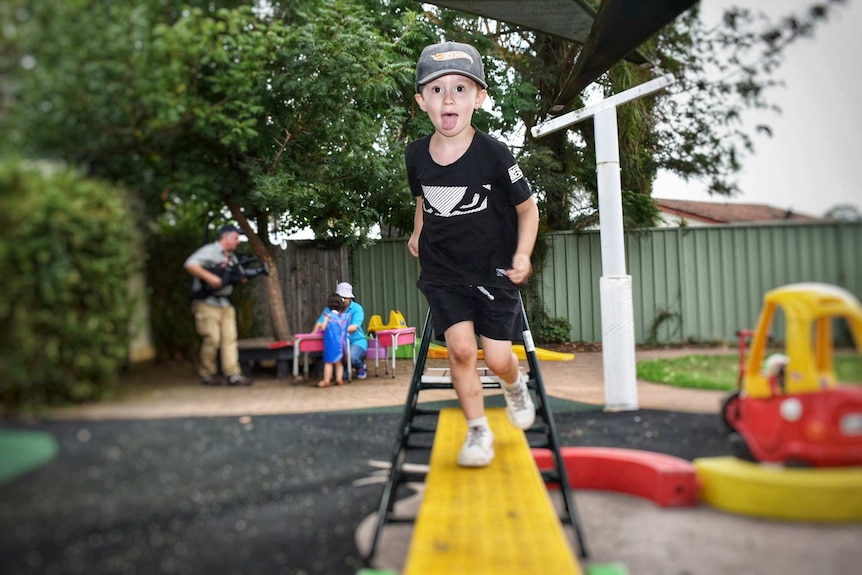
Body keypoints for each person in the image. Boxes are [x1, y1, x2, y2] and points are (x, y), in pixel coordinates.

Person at [406, 41, 540, 467]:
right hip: (443, 270)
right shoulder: (415, 155)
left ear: (479, 98)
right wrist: (417, 232)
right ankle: (478, 430)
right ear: (421, 101)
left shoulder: (495, 154)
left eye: (461, 89)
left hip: (492, 268)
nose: (449, 98)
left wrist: (523, 254)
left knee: (498, 356)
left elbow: (528, 209)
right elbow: (425, 199)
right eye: (438, 89)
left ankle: (514, 384)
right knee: (462, 351)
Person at [184, 224, 253, 386]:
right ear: (226, 237)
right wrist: (210, 278)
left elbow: (240, 276)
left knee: (230, 339)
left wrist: (246, 276)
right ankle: (207, 373)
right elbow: (190, 264)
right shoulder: (210, 251)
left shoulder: (232, 257)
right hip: (206, 302)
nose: (238, 242)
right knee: (212, 338)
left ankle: (233, 374)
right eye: (236, 238)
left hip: (225, 303)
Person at [313, 292, 349, 387]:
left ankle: (326, 381)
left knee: (329, 362)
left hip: (331, 342)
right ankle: (339, 379)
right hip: (341, 343)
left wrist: (320, 326)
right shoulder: (343, 317)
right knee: (339, 363)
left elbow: (324, 327)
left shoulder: (327, 315)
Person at [335, 282, 369, 379]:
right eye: (340, 297)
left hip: (357, 340)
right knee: (343, 376)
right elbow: (322, 322)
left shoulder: (357, 308)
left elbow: (354, 327)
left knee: (352, 358)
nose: (342, 300)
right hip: (339, 342)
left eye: (345, 297)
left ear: (350, 298)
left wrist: (336, 330)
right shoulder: (333, 308)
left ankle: (360, 365)